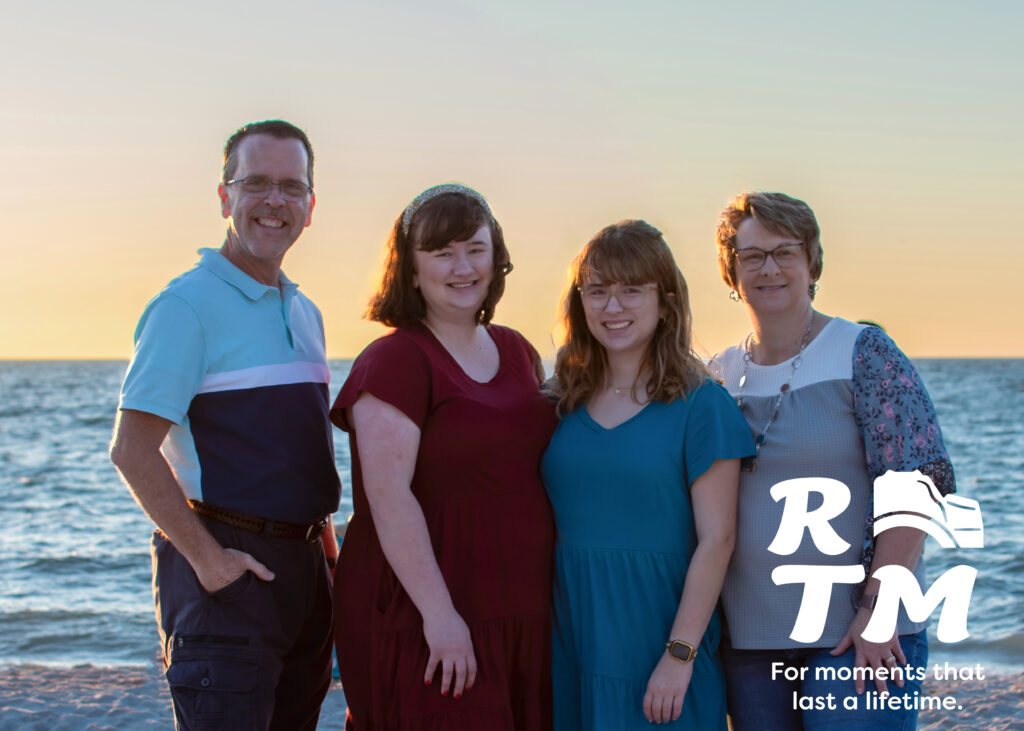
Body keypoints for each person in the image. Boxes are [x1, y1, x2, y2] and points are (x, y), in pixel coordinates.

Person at [109, 120, 340, 730]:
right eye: (256, 183)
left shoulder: (306, 311)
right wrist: (211, 563)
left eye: (292, 188)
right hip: (228, 582)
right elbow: (132, 451)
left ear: (311, 206)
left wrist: (329, 552)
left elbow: (303, 452)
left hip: (307, 576)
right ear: (224, 196)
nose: (275, 201)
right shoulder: (184, 307)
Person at [711, 191, 957, 730]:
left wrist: (878, 611)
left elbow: (917, 486)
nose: (769, 268)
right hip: (752, 645)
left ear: (812, 262)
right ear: (732, 274)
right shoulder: (719, 375)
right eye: (752, 256)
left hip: (856, 634)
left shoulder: (862, 352)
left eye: (785, 252)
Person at [331, 184, 557, 729]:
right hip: (430, 611)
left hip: (522, 605)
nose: (463, 267)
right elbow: (388, 497)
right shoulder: (395, 360)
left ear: (496, 259)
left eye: (475, 249)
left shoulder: (518, 351)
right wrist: (441, 617)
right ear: (409, 270)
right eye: (441, 252)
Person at [542, 220, 755, 729]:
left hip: (663, 651)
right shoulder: (561, 401)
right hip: (574, 643)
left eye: (631, 290)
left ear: (665, 302)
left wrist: (678, 657)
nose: (612, 308)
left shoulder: (704, 404)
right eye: (597, 291)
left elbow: (718, 541)